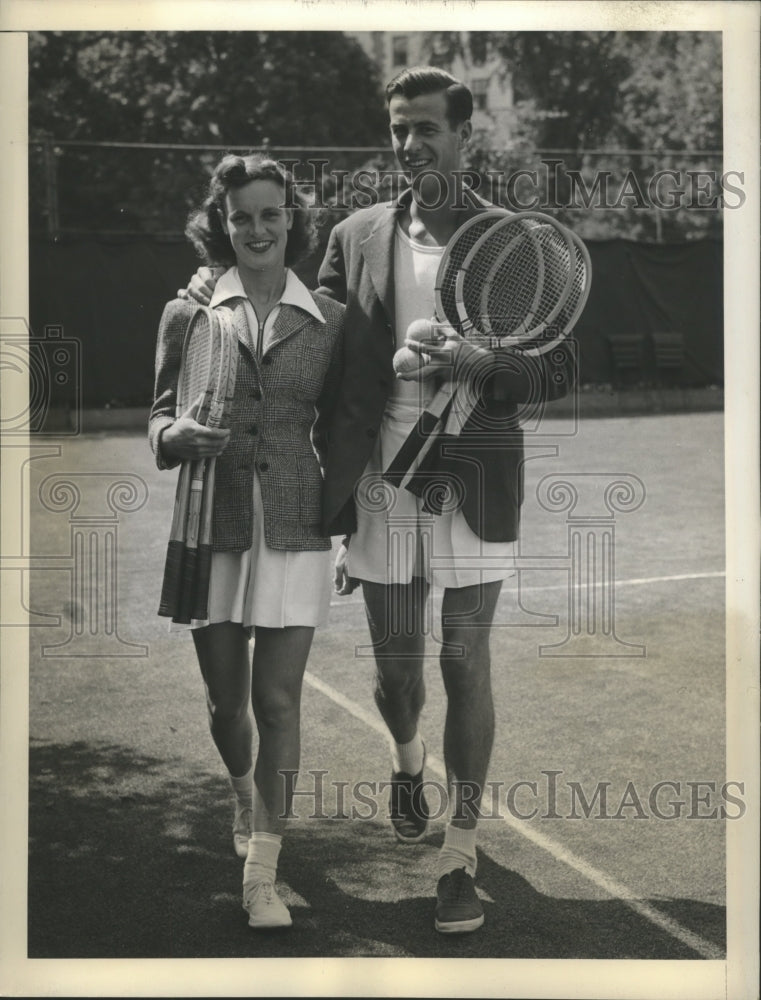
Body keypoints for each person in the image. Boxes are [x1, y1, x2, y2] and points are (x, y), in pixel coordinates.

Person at [184, 67, 575, 934]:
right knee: (397, 675)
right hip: (379, 486)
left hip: (476, 478)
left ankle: (458, 856)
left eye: (426, 127)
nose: (409, 143)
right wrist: (208, 288)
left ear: (464, 135)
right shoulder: (356, 234)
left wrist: (481, 363)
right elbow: (306, 334)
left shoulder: (511, 240)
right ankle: (407, 759)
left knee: (463, 660)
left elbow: (552, 367)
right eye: (399, 127)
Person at [149, 154, 344, 930]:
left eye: (270, 214)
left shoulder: (330, 318)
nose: (257, 229)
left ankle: (262, 874)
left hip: (297, 526)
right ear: (220, 224)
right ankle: (240, 792)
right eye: (241, 217)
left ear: (291, 219)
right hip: (212, 524)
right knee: (228, 704)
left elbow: (347, 430)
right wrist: (173, 437)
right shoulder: (188, 311)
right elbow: (158, 416)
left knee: (278, 702)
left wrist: (351, 528)